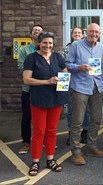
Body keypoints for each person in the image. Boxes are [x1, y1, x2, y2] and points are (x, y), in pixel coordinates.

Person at [22, 32, 69, 176]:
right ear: (39, 43)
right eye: (45, 43)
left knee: (51, 130)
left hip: (56, 99)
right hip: (39, 99)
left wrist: (63, 80)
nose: (47, 46)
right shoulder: (31, 58)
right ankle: (35, 162)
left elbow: (65, 73)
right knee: (39, 131)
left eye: (50, 43)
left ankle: (50, 159)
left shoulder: (57, 57)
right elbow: (27, 80)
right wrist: (47, 81)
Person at [66, 23, 103, 166]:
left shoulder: (101, 48)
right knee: (77, 120)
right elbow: (68, 64)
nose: (94, 34)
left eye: (97, 32)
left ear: (99, 34)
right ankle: (76, 152)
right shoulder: (76, 46)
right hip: (80, 87)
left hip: (97, 87)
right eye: (91, 31)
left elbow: (102, 66)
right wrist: (79, 67)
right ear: (86, 32)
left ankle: (92, 147)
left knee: (96, 119)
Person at [60, 26, 90, 146]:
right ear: (72, 35)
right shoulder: (66, 49)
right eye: (75, 33)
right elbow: (62, 66)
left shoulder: (88, 48)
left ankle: (85, 132)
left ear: (82, 35)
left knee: (87, 110)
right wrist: (62, 85)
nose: (77, 34)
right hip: (70, 83)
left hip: (85, 82)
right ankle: (71, 133)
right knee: (70, 110)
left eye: (79, 33)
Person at [17, 24, 44, 155]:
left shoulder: (47, 48)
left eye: (40, 31)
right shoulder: (24, 50)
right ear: (31, 34)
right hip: (28, 89)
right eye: (35, 31)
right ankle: (26, 142)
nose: (37, 33)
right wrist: (39, 73)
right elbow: (21, 67)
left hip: (44, 89)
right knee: (27, 116)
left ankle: (43, 140)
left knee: (43, 116)